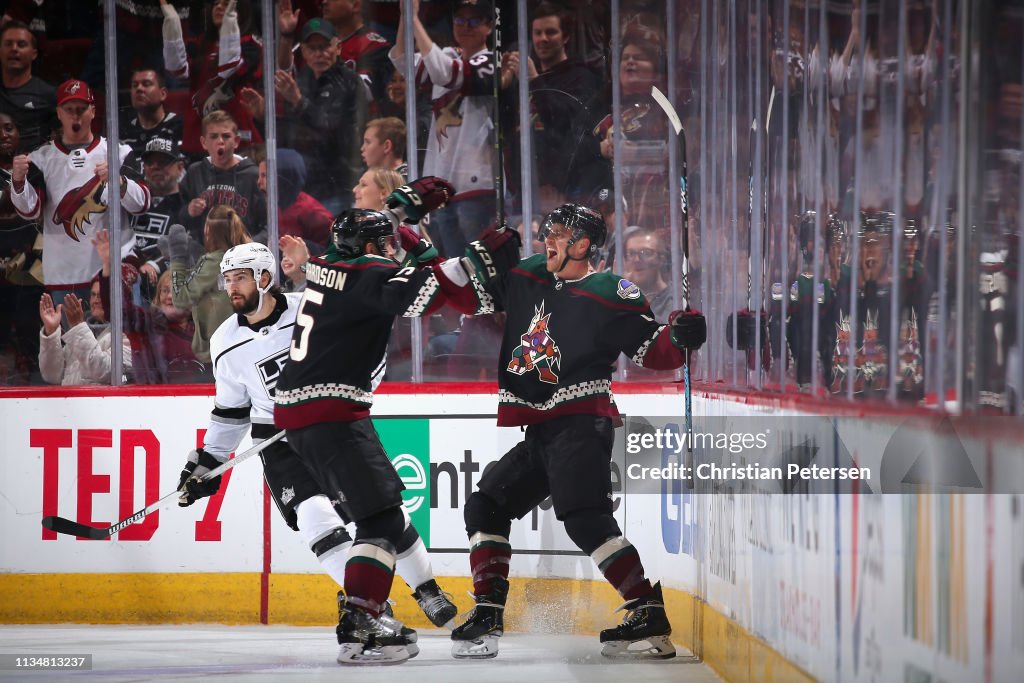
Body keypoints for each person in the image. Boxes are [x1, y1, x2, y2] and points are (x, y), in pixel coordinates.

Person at [272, 177, 521, 665]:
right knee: (380, 518)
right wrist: (475, 258)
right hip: (330, 414)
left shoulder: (331, 266)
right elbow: (429, 290)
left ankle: (368, 615)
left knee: (382, 513)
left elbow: (422, 278)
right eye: (385, 243)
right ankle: (360, 624)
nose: (392, 250)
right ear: (367, 247)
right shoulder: (367, 274)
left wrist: (410, 227)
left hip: (313, 413)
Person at [445, 203, 706, 660]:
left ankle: (646, 609)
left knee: (584, 516)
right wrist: (473, 259)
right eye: (548, 230)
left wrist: (681, 337)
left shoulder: (611, 292)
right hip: (543, 431)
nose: (548, 238)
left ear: (583, 245)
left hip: (583, 424)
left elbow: (655, 352)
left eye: (560, 233)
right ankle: (487, 609)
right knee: (487, 503)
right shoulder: (527, 275)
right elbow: (465, 301)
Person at [175, 241, 458, 644]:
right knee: (314, 521)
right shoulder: (224, 340)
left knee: (378, 511)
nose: (231, 287)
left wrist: (343, 397)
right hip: (276, 440)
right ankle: (368, 605)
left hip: (330, 425)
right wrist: (208, 461)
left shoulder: (308, 308)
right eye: (228, 279)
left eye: (240, 278)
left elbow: (365, 355)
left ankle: (427, 589)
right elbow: (231, 411)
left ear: (265, 277)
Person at [10, 79, 151, 309]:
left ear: (93, 111)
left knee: (123, 344)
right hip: (64, 276)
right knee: (74, 345)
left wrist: (119, 181)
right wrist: (18, 181)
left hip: (113, 271)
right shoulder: (41, 159)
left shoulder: (118, 152)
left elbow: (142, 203)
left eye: (82, 109)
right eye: (69, 109)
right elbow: (30, 210)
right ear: (59, 113)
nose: (76, 116)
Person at [390, 0, 512, 258]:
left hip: (479, 185)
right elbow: (403, 60)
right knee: (456, 266)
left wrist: (414, 21)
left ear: (489, 27)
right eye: (460, 20)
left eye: (474, 21)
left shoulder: (491, 62)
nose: (465, 27)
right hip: (443, 184)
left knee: (483, 266)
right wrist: (405, 15)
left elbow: (447, 74)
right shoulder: (447, 56)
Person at [245, 16, 367, 215]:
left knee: (332, 243)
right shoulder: (301, 81)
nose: (319, 53)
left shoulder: (349, 83)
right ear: (302, 51)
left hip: (336, 187)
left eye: (324, 46)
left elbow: (331, 131)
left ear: (338, 47)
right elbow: (291, 136)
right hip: (303, 186)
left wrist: (299, 101)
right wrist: (263, 118)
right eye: (312, 48)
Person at [506, 2, 603, 208]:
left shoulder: (581, 78)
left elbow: (564, 127)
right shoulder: (524, 82)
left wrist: (533, 78)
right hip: (524, 190)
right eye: (537, 33)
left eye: (551, 32)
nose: (543, 39)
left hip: (564, 191)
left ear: (565, 36)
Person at [161, 0, 264, 156]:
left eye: (226, 3)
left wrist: (229, 23)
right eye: (216, 3)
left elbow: (228, 68)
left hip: (238, 139)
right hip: (198, 136)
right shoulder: (201, 43)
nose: (219, 7)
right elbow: (177, 70)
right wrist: (172, 26)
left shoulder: (251, 44)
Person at [37, 236, 134, 386]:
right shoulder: (81, 332)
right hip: (68, 406)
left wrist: (77, 327)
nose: (96, 300)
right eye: (94, 294)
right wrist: (51, 332)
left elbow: (108, 373)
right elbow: (51, 376)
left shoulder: (128, 334)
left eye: (103, 295)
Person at [164, 204, 249, 364]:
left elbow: (180, 298)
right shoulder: (245, 257)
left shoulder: (214, 261)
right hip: (242, 349)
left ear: (208, 230)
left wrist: (177, 258)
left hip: (218, 353)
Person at [279, 0, 392, 112]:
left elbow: (363, 92)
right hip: (310, 122)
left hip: (356, 124)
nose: (324, 2)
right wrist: (287, 36)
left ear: (356, 5)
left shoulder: (375, 46)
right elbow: (286, 73)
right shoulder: (315, 42)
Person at [0, 111, 44, 384]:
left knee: (30, 329)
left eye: (9, 128)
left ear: (19, 133)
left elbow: (37, 210)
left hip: (30, 266)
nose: (4, 134)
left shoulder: (35, 169)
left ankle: (34, 378)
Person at [178, 110, 264, 243]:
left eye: (226, 136)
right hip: (203, 254)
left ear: (236, 141)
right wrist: (189, 211)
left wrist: (250, 245)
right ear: (204, 142)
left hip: (242, 256)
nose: (220, 141)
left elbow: (271, 225)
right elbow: (178, 217)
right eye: (213, 136)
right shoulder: (195, 172)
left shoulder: (253, 175)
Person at [128, 136, 188, 300]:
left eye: (162, 162)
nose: (155, 168)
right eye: (150, 163)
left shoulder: (187, 206)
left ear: (180, 166)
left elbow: (186, 247)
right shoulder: (134, 202)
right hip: (127, 278)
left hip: (164, 288)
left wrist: (155, 265)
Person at [256, 149, 334, 252]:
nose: (259, 182)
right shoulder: (279, 203)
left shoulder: (310, 211)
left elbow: (331, 251)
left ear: (283, 177)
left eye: (264, 176)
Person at [0, 20, 56, 154]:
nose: (14, 49)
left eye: (21, 44)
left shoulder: (48, 95)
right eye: (8, 44)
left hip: (34, 171)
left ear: (34, 54)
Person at [120, 68, 184, 174]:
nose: (139, 89)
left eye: (146, 84)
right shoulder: (123, 131)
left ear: (163, 93)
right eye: (135, 85)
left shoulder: (179, 126)